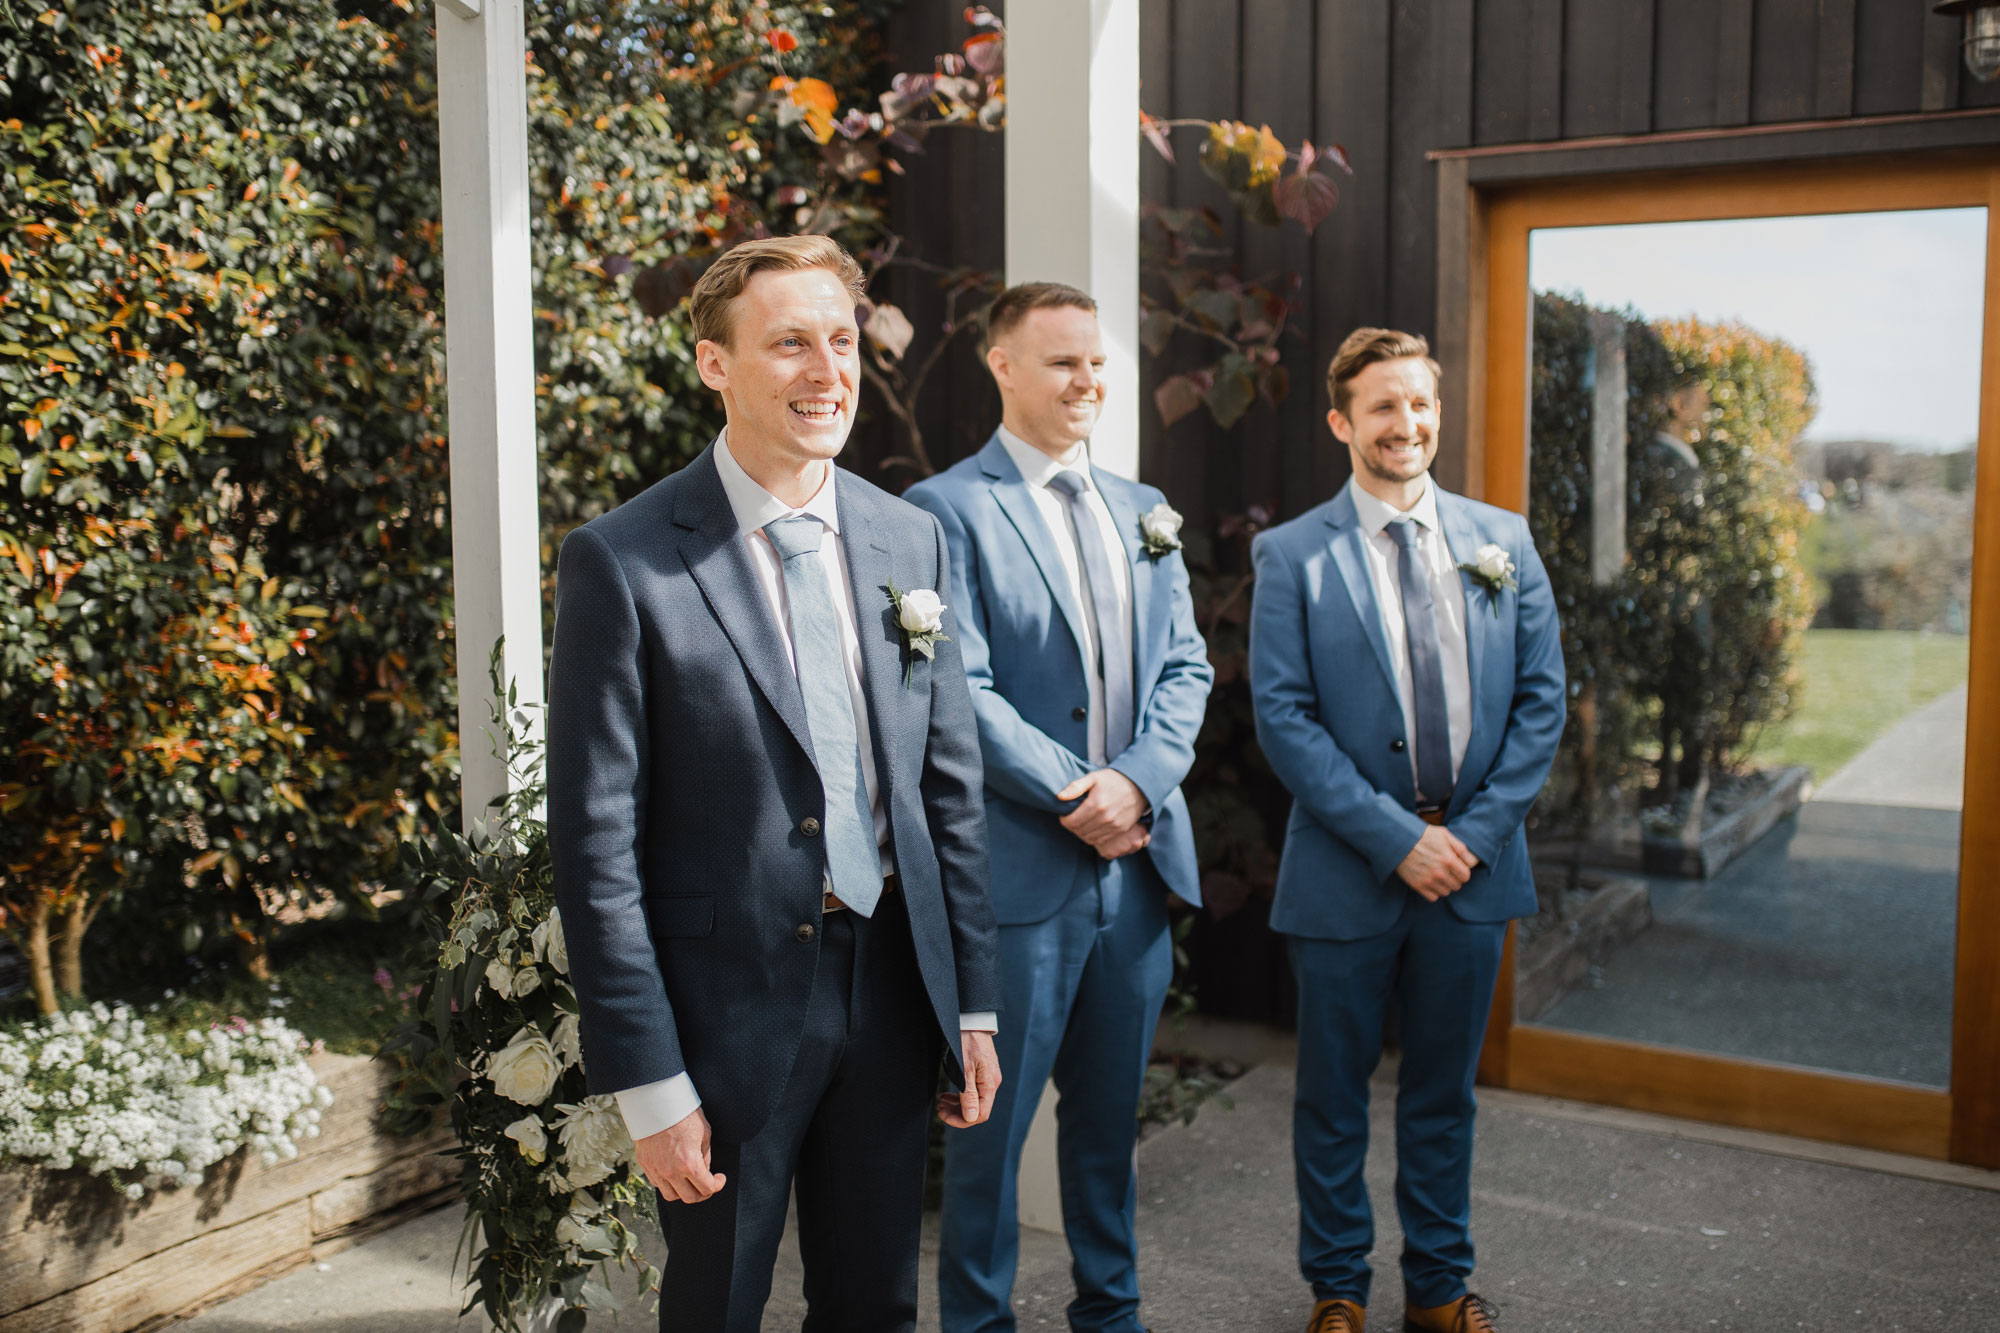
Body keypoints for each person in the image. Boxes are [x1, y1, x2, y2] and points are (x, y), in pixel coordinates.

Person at [546, 234, 1003, 1333]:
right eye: (788, 342)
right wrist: (650, 1085)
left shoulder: (911, 538)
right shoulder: (625, 559)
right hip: (726, 1016)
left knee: (874, 1305)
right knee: (715, 1309)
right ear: (714, 364)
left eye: (839, 341)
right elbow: (595, 848)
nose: (825, 370)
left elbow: (948, 794)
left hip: (892, 990)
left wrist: (970, 1002)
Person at [904, 282, 1213, 1333]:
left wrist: (1136, 783)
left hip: (1133, 878)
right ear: (1000, 366)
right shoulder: (946, 510)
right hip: (1020, 882)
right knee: (986, 1140)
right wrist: (1077, 792)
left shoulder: (1142, 509)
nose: (1085, 381)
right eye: (1060, 362)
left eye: (1094, 361)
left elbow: (1186, 665)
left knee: (1105, 1131)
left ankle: (1109, 1316)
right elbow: (960, 685)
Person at [1248, 328, 1564, 1333]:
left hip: (1472, 868)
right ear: (1343, 421)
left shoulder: (1500, 540)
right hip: (1345, 869)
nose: (1406, 424)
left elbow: (1540, 704)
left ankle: (1436, 1287)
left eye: (1419, 403)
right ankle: (1336, 1288)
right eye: (1382, 406)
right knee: (1331, 1098)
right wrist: (1397, 839)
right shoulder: (1290, 554)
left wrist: (1465, 836)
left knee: (1442, 1097)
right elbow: (1283, 718)